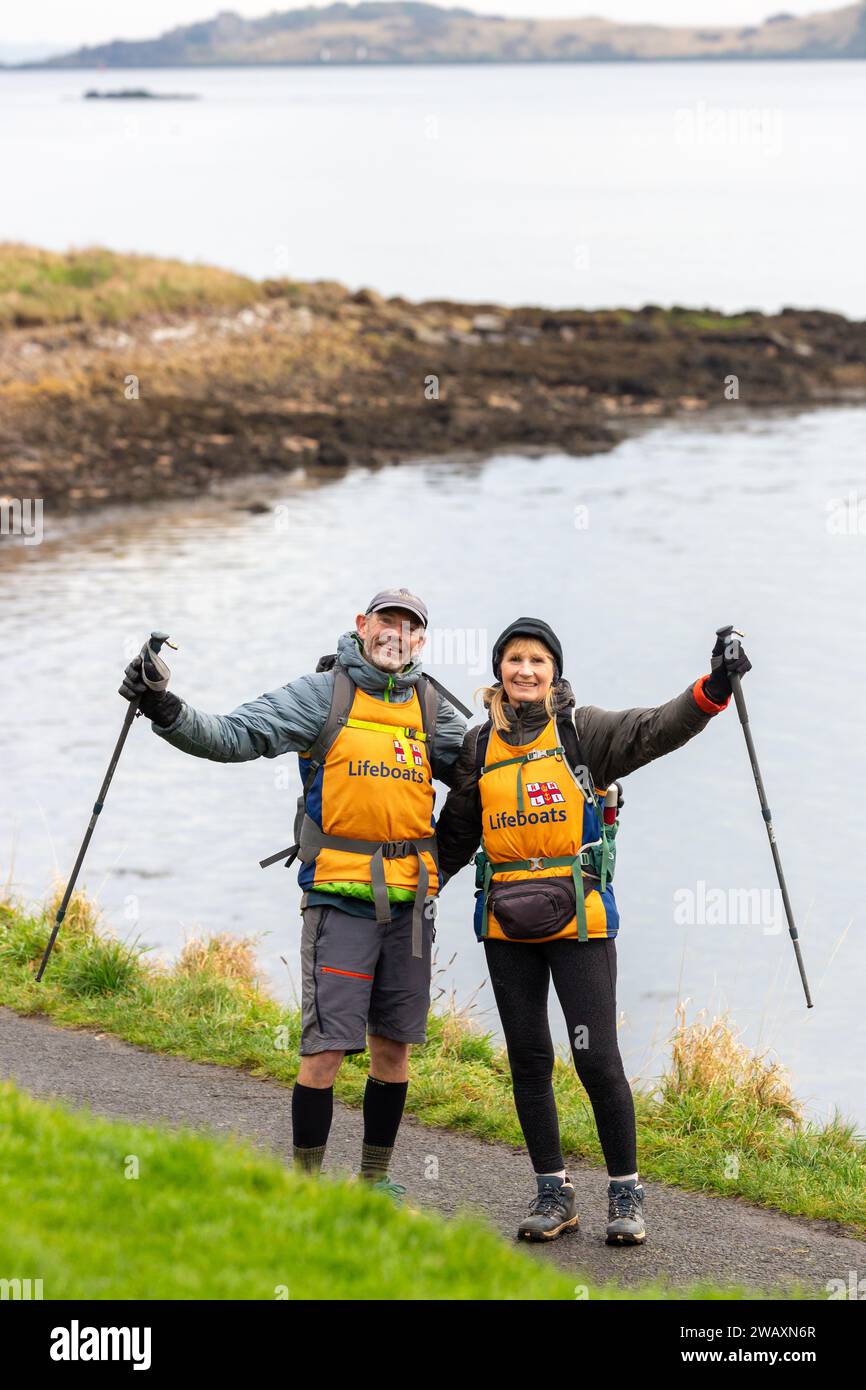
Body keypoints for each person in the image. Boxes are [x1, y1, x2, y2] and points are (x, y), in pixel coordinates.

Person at [119, 588, 466, 1196]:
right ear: (362, 625)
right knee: (325, 1052)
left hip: (411, 910)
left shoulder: (431, 706)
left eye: (411, 627)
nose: (398, 634)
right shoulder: (321, 696)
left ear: (422, 640)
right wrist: (163, 707)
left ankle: (372, 1186)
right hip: (338, 901)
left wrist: (558, 742)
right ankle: (306, 1189)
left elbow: (495, 765)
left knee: (394, 1051)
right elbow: (234, 735)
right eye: (388, 621)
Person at [434, 617, 751, 1243]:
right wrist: (405, 894)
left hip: (581, 923)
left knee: (595, 1057)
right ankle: (554, 1194)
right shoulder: (477, 747)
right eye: (514, 660)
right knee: (528, 1060)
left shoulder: (585, 732)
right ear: (499, 669)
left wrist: (714, 686)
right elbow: (454, 837)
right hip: (505, 928)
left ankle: (625, 1196)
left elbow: (657, 728)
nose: (525, 670)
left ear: (554, 671)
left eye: (538, 661)